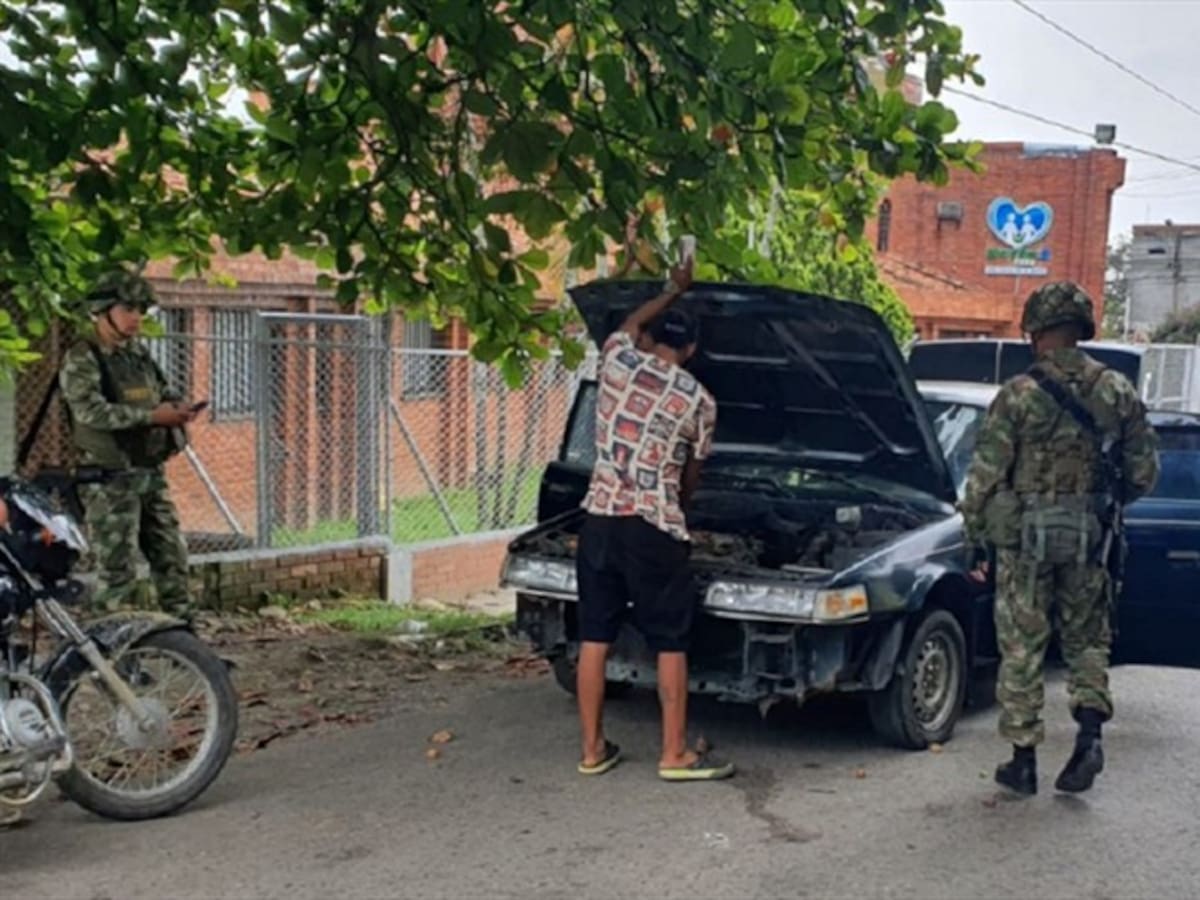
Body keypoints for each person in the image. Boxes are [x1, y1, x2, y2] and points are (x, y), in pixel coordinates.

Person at [960, 281, 1159, 796]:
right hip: (1090, 537)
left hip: (1025, 541)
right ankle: (1089, 738)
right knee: (1088, 640)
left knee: (1022, 646)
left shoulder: (1019, 394)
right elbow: (1144, 473)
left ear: (1038, 332)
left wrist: (974, 535)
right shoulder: (1116, 390)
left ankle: (1023, 760)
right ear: (1082, 328)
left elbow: (984, 476)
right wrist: (1098, 505)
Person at [573, 255, 733, 782]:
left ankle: (593, 749)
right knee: (670, 640)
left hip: (598, 518)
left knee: (594, 635)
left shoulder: (617, 359)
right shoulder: (700, 400)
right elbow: (693, 472)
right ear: (691, 350)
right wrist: (679, 510)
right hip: (653, 526)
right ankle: (673, 754)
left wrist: (672, 288)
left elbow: (626, 324)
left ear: (650, 339)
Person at [59, 268, 200, 615]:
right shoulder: (83, 356)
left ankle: (183, 647)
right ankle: (109, 656)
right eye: (128, 309)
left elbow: (162, 390)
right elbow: (91, 412)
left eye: (142, 310)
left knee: (172, 558)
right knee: (117, 571)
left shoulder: (137, 353)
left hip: (148, 471)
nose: (137, 318)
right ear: (103, 310)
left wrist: (177, 408)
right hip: (109, 479)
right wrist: (152, 417)